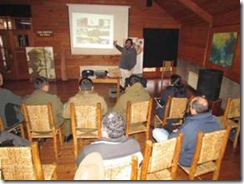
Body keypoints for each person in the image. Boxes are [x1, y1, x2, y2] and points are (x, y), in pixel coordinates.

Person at [152, 96, 223, 167]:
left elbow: (173, 141)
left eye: (190, 106)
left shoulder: (190, 127)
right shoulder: (217, 120)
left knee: (156, 132)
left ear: (193, 110)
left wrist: (174, 132)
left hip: (187, 160)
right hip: (208, 156)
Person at [77, 112, 142, 166]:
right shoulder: (135, 145)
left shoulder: (89, 151)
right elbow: (139, 164)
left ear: (103, 131)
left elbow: (80, 165)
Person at [23, 76, 72, 142]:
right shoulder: (53, 98)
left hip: (34, 126)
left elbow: (23, 113)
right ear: (45, 86)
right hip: (51, 125)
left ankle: (42, 136)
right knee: (66, 114)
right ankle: (67, 136)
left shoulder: (26, 100)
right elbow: (62, 113)